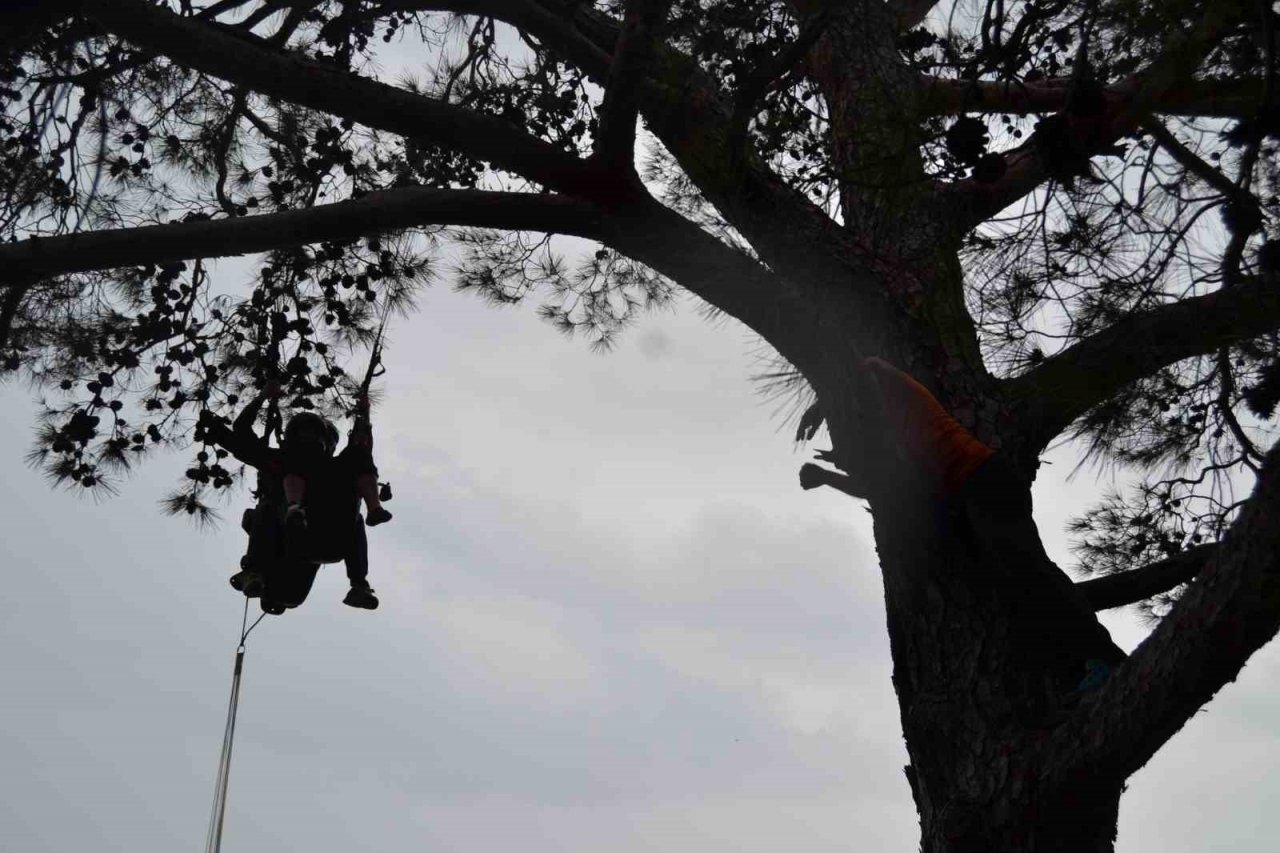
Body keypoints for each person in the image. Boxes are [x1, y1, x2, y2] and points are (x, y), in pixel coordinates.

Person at [831, 358, 1127, 694]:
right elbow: (881, 489)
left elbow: (868, 365)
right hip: (979, 490)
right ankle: (1080, 667)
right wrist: (827, 477)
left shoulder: (898, 397)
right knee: (1022, 584)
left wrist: (827, 402)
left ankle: (1105, 657)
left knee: (1033, 575)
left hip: (985, 480)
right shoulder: (901, 448)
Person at [221, 383, 384, 610]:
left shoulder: (293, 462)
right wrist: (262, 397)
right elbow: (241, 438)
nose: (310, 441)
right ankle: (358, 583)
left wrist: (262, 397)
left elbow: (361, 448)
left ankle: (359, 584)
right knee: (267, 508)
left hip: (321, 540)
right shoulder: (290, 462)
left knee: (352, 512)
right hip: (297, 547)